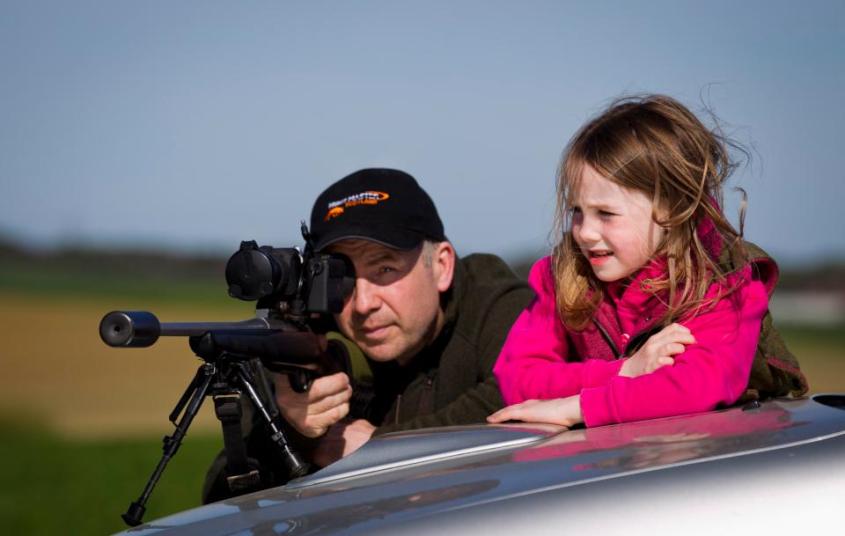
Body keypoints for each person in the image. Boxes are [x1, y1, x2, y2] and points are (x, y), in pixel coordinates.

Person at [203, 168, 534, 502]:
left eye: (385, 269)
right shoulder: (300, 339)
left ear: (442, 266)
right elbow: (222, 496)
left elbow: (525, 392)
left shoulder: (491, 301)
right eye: (343, 279)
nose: (363, 304)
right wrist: (291, 431)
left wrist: (380, 447)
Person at [488, 95, 807, 429]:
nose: (584, 233)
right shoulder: (565, 276)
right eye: (577, 212)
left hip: (708, 464)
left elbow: (695, 388)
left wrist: (578, 408)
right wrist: (624, 370)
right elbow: (517, 377)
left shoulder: (725, 283)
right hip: (608, 464)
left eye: (606, 214)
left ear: (671, 209)